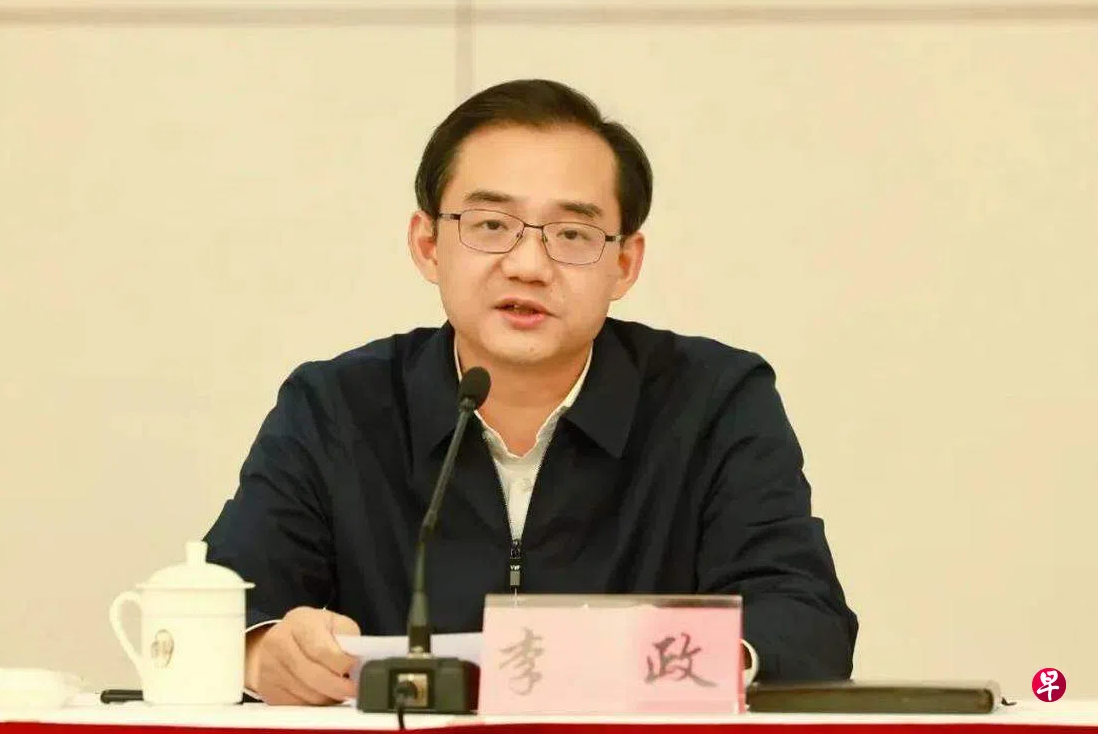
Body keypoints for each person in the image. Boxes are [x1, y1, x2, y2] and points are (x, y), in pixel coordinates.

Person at [203, 78, 858, 706]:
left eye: (572, 234)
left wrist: (668, 669)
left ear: (624, 263)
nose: (527, 265)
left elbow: (805, 621)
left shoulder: (712, 402)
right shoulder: (336, 407)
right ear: (428, 245)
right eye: (491, 225)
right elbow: (216, 609)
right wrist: (261, 655)